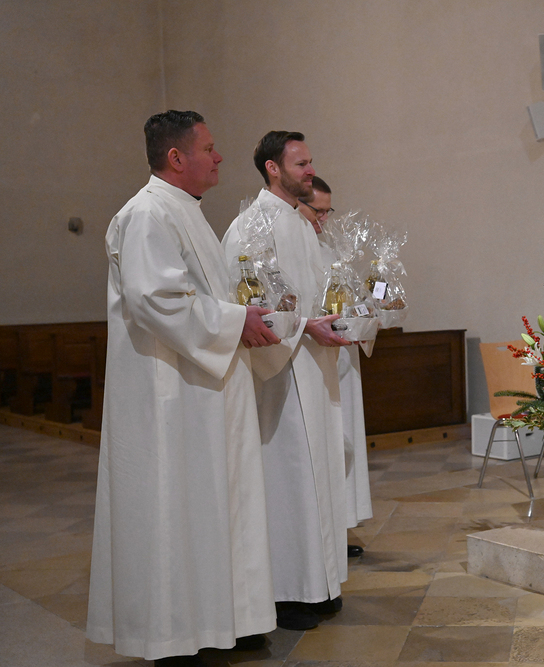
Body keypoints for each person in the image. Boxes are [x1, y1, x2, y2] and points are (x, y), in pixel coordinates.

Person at [87, 111, 281, 666]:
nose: (219, 157)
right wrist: (235, 321)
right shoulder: (146, 213)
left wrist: (243, 313)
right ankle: (175, 635)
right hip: (170, 394)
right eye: (209, 148)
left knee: (218, 504)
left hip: (205, 388)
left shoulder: (186, 211)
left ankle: (229, 619)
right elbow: (155, 300)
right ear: (176, 157)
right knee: (176, 508)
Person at [222, 131, 351, 632]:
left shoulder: (300, 223)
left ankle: (319, 584)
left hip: (314, 366)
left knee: (319, 475)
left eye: (311, 161)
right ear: (272, 168)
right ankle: (286, 592)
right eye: (300, 163)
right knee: (289, 478)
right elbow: (246, 300)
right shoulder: (250, 225)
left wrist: (346, 313)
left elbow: (316, 294)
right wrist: (303, 327)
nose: (310, 170)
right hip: (281, 372)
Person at [299, 176, 373, 556]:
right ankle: (315, 537)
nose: (324, 220)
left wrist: (368, 316)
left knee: (342, 446)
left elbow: (357, 302)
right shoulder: (287, 248)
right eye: (318, 211)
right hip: (309, 361)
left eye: (329, 212)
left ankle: (338, 530)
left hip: (342, 361)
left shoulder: (331, 253)